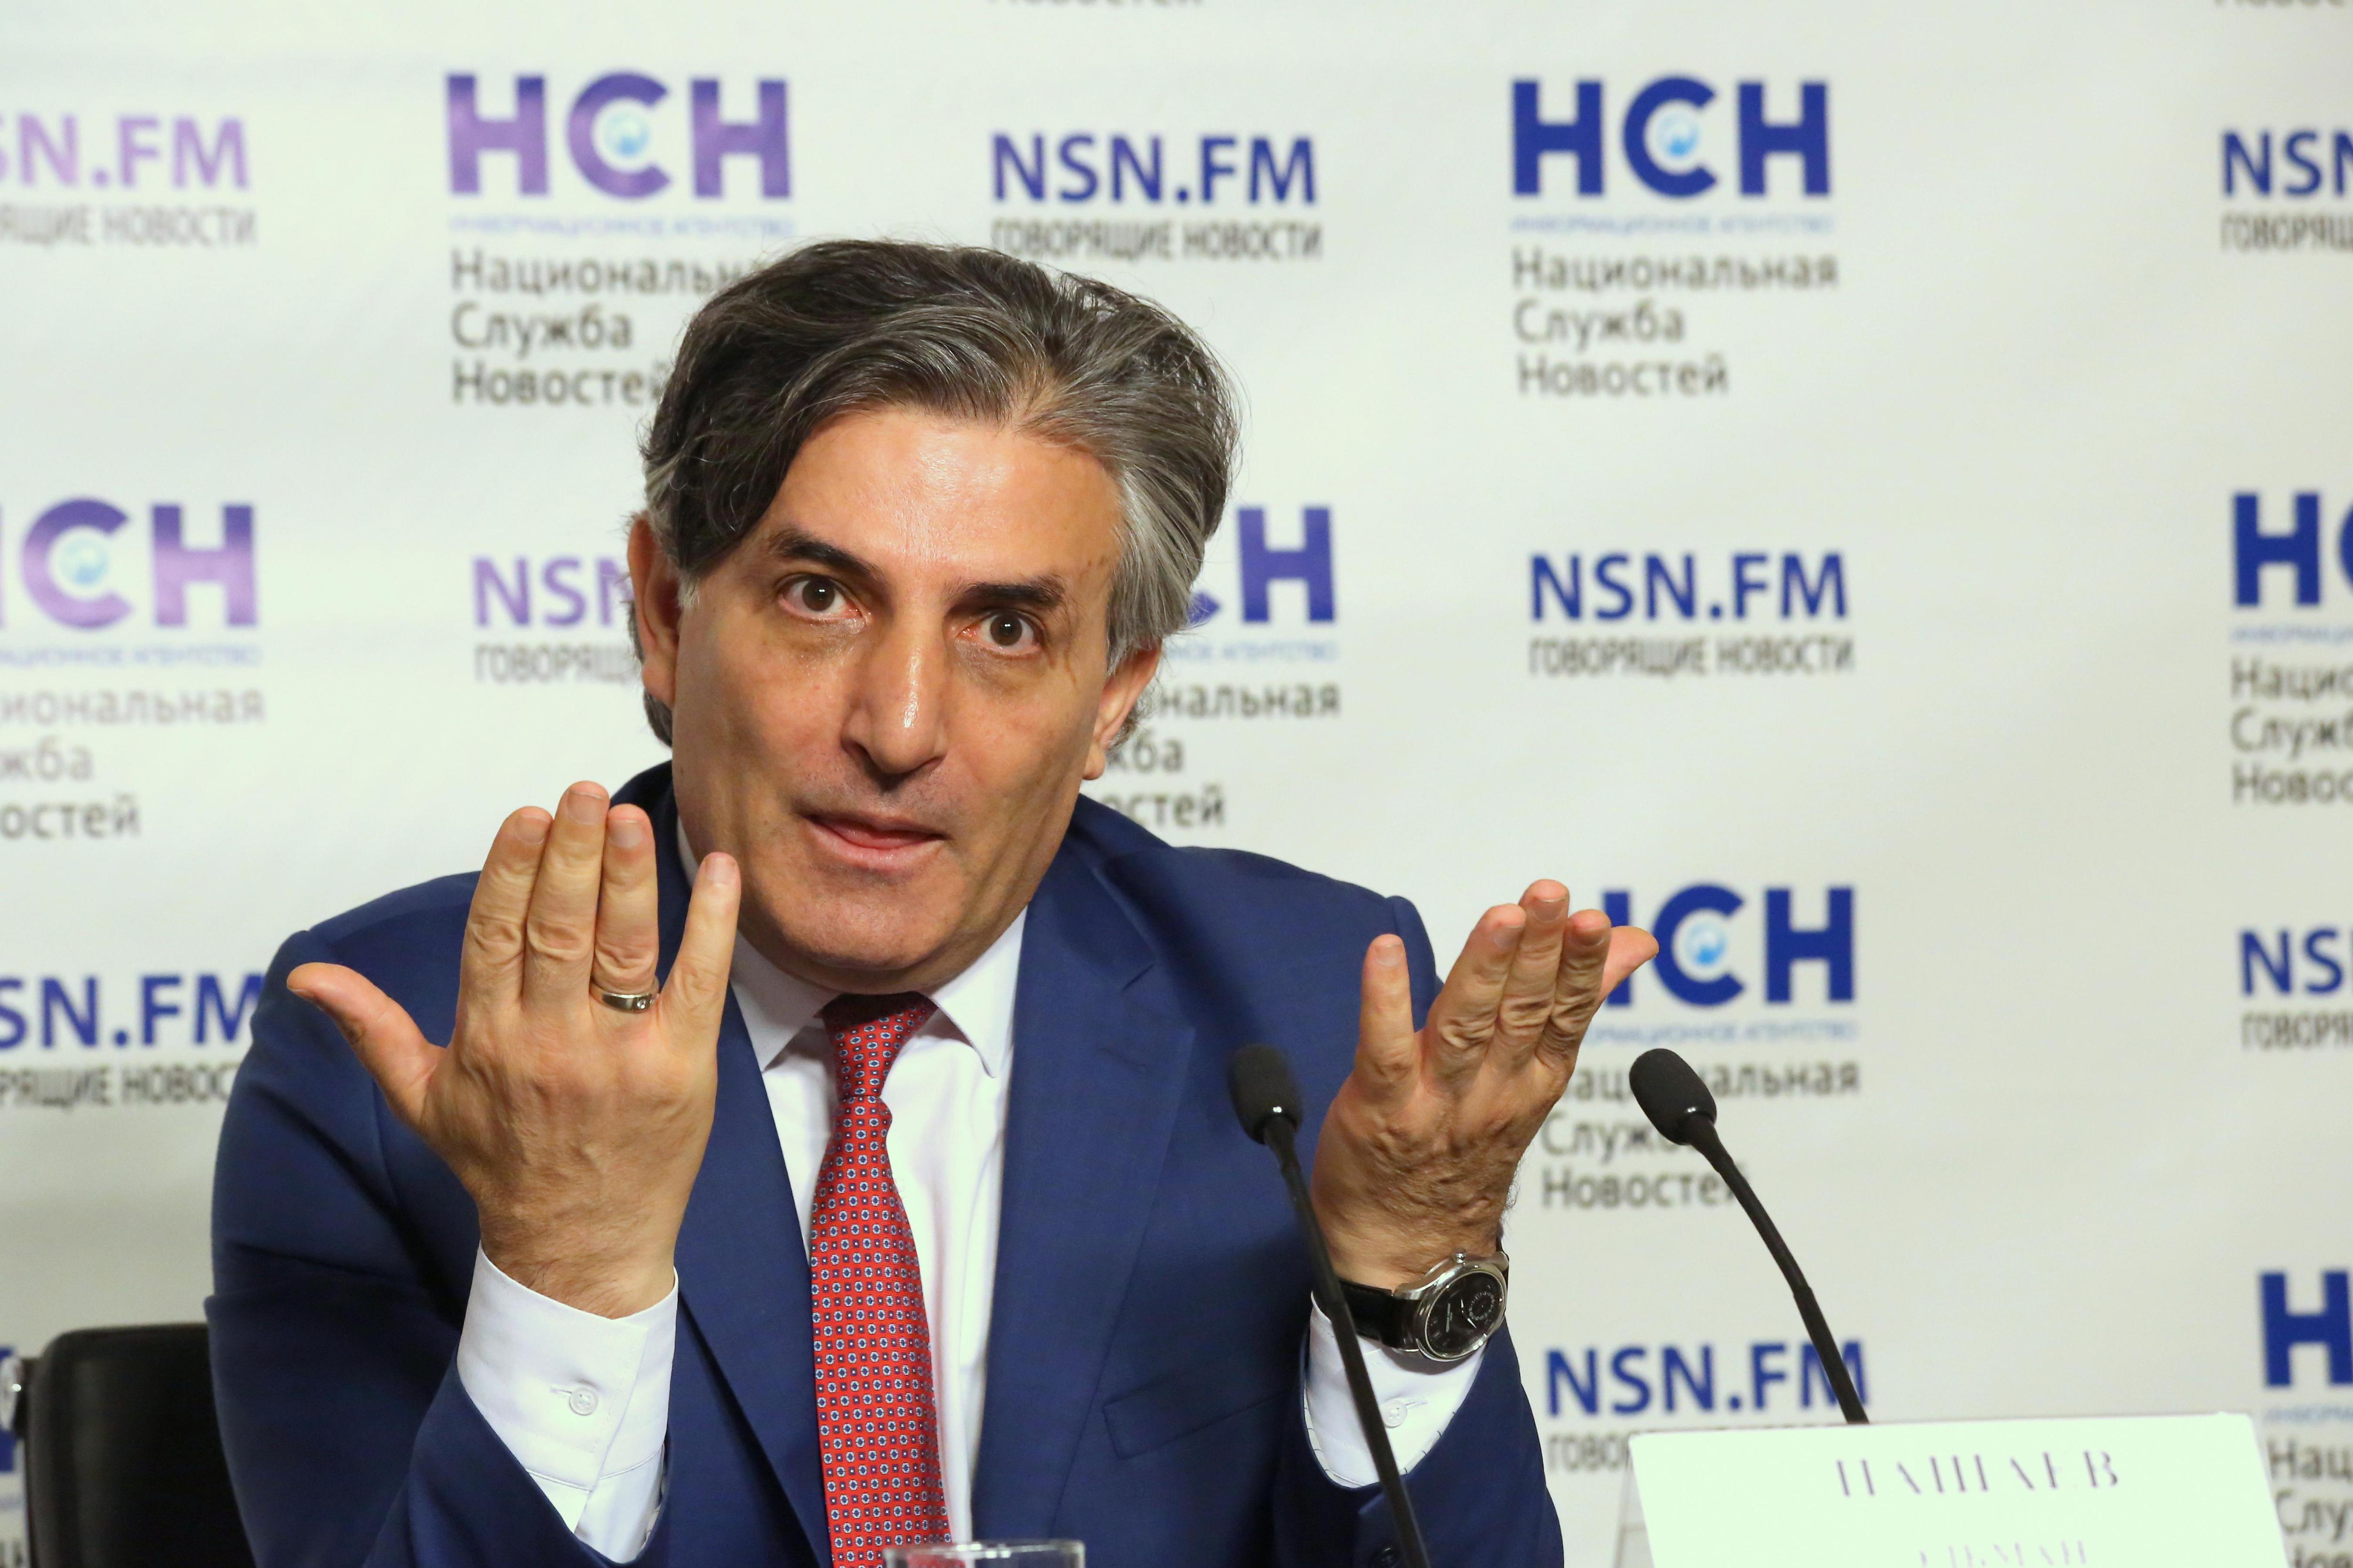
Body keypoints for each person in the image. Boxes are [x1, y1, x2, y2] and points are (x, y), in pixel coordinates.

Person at [209, 240, 1656, 1568]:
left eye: (1006, 627)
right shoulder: (395, 1052)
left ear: (1113, 697)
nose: (901, 727)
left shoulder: (1310, 1017)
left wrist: (1407, 1292)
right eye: (821, 596)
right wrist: (570, 1257)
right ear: (664, 611)